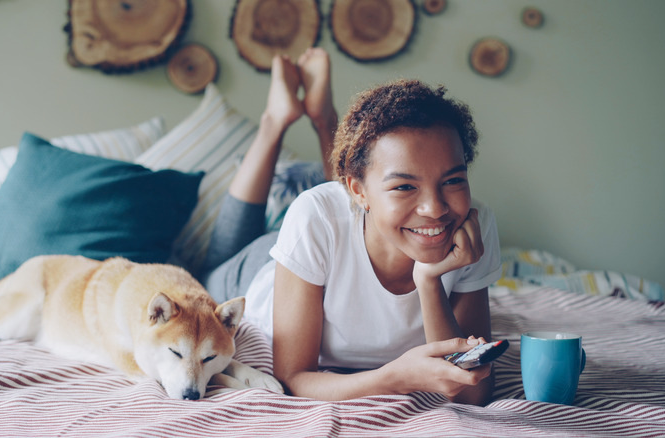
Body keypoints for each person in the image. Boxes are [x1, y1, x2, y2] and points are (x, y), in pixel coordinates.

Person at [198, 48, 501, 406]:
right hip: (258, 270)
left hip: (344, 237)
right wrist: (394, 378)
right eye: (405, 186)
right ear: (357, 191)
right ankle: (276, 120)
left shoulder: (471, 224)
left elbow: (472, 393)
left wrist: (429, 280)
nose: (435, 209)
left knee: (371, 187)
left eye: (452, 181)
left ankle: (323, 117)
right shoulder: (315, 217)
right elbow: (292, 377)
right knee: (213, 262)